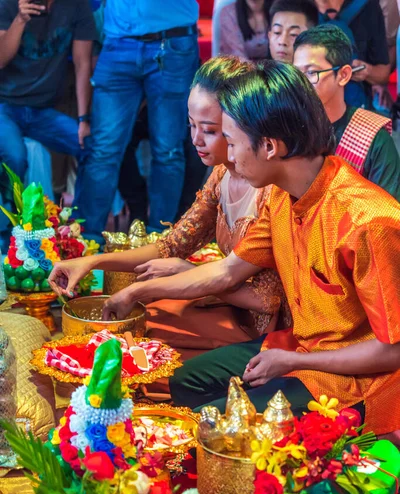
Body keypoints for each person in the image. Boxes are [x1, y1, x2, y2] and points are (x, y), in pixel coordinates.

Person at [99, 61, 400, 436]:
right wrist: (136, 290)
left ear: (270, 147)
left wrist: (286, 360)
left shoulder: (367, 222)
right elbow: (227, 271)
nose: (231, 156)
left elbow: (393, 351)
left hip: (355, 381)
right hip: (297, 349)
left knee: (210, 428)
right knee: (183, 383)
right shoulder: (281, 197)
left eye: (233, 141)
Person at [49, 57, 290, 358]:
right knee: (143, 320)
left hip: (267, 332)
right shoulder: (221, 174)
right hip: (229, 307)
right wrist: (92, 261)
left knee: (143, 339)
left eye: (210, 130)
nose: (196, 140)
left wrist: (188, 272)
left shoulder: (272, 191)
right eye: (191, 125)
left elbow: (267, 300)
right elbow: (171, 246)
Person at [72, 0, 200, 242]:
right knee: (103, 149)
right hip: (118, 42)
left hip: (173, 42)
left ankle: (159, 241)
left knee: (168, 151)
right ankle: (86, 242)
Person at [0, 0, 96, 232]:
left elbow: (83, 65)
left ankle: (75, 228)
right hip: (5, 106)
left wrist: (84, 119)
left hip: (43, 111)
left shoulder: (77, 7)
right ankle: (9, 231)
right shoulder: (8, 5)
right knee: (15, 157)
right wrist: (20, 20)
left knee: (92, 149)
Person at [293, 24, 400, 200]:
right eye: (297, 74)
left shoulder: (374, 139)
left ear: (343, 75)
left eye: (311, 72)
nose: (300, 84)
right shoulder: (287, 129)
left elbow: (388, 218)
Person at [315, 0, 391, 109]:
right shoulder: (296, 6)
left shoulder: (367, 6)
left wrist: (367, 71)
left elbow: (383, 74)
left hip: (355, 109)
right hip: (308, 109)